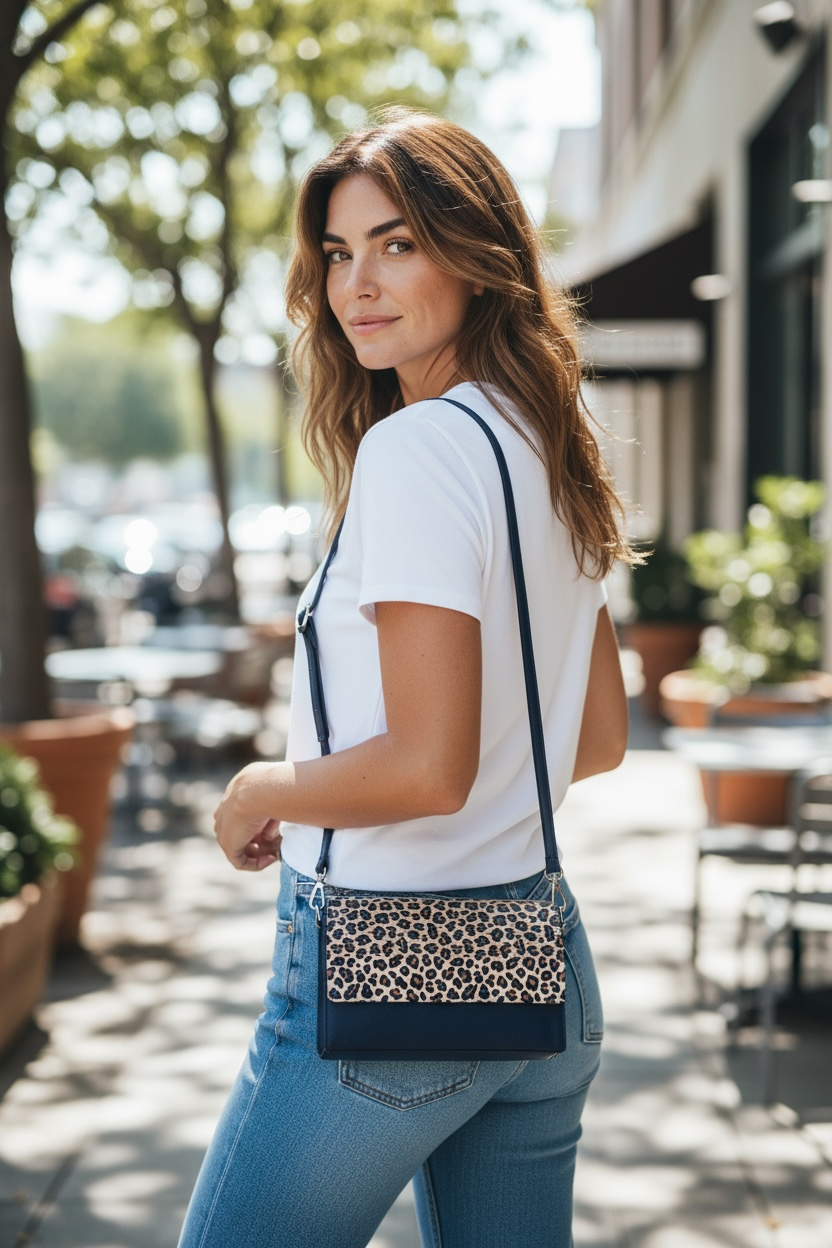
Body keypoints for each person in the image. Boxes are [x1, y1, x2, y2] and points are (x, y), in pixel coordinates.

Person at [178, 107, 632, 1248]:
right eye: (337, 252)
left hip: (400, 965)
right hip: (538, 955)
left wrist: (260, 790)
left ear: (474, 255)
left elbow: (429, 769)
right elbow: (593, 740)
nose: (356, 285)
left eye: (397, 243)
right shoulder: (550, 432)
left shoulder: (419, 449)